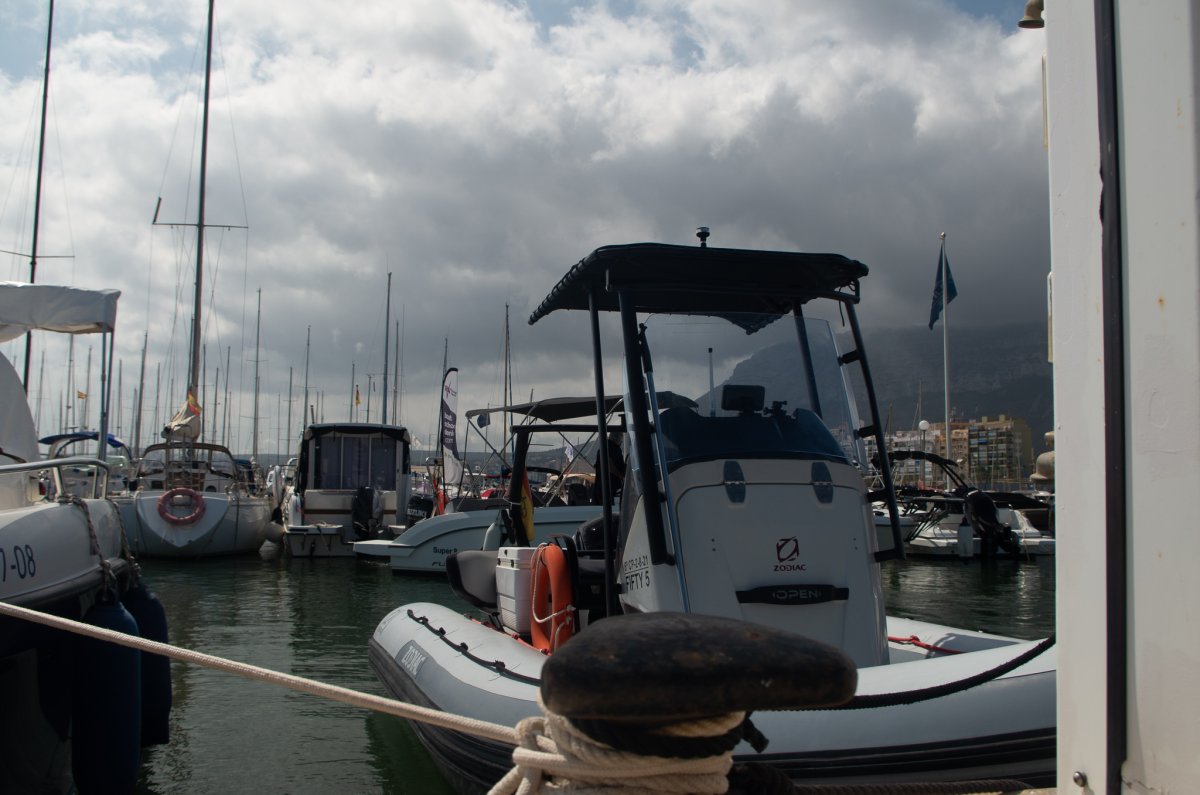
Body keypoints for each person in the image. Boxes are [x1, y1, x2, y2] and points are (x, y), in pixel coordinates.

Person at [592, 429, 625, 503]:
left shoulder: (602, 448)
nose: (622, 442)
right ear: (618, 438)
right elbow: (608, 464)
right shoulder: (613, 448)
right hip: (610, 488)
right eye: (622, 438)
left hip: (601, 488)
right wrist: (621, 476)